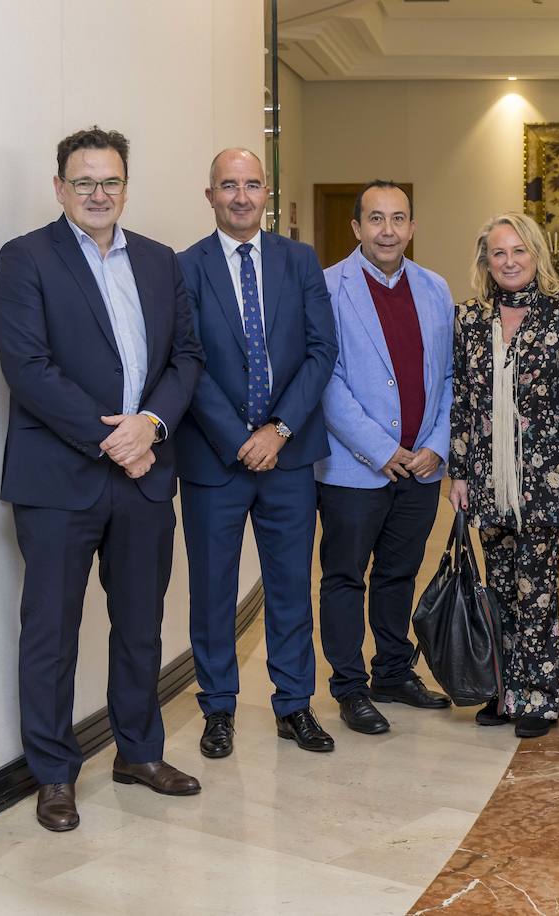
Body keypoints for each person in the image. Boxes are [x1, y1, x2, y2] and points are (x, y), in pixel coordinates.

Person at [0, 127, 205, 831]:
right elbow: (27, 367)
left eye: (110, 181)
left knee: (141, 627)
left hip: (146, 473)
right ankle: (54, 773)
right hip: (59, 478)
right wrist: (116, 439)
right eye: (83, 182)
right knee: (52, 631)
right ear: (59, 188)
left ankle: (139, 753)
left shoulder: (158, 260)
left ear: (125, 187)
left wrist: (152, 427)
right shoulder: (25, 259)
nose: (97, 194)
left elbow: (186, 358)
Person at [176, 149, 339, 757]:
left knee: (291, 585)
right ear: (210, 194)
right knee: (213, 590)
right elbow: (185, 360)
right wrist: (238, 438)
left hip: (289, 458)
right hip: (212, 461)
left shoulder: (299, 261)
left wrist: (278, 431)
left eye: (251, 185)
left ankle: (294, 705)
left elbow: (322, 351)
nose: (241, 196)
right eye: (228, 186)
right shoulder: (184, 268)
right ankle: (218, 708)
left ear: (266, 191)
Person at [316, 181, 454, 730]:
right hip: (354, 468)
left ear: (412, 227)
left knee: (399, 573)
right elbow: (326, 381)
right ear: (356, 227)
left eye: (398, 219)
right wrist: (381, 449)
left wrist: (434, 447)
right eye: (376, 219)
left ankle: (393, 671)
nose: (388, 230)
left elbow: (448, 377)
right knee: (345, 576)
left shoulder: (435, 288)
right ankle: (349, 687)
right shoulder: (327, 288)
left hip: (421, 468)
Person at [448, 212, 559, 739]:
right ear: (486, 261)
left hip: (545, 472)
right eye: (498, 253)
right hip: (487, 473)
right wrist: (458, 472)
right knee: (499, 583)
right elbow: (462, 398)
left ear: (537, 256)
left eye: (519, 252)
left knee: (537, 587)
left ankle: (540, 695)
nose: (509, 262)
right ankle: (504, 690)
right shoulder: (470, 319)